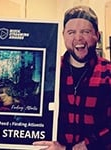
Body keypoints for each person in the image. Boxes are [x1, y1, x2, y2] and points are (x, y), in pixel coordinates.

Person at [33, 5, 111, 150]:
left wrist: (86, 145)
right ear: (63, 35)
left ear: (97, 35)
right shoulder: (49, 70)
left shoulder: (108, 72)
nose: (78, 38)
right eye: (71, 32)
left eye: (85, 32)